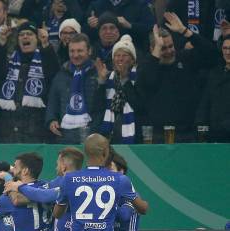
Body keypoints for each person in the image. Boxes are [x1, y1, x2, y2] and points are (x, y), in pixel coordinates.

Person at [138, 13, 219, 142]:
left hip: (188, 134)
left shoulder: (186, 59)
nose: (170, 51)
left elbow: (213, 56)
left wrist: (186, 32)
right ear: (153, 49)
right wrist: (156, 54)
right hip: (158, 136)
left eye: (171, 46)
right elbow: (147, 82)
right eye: (163, 48)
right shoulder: (147, 66)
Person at [0, 22, 60, 143]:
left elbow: (54, 72)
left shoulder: (45, 60)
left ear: (37, 39)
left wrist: (46, 44)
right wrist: (1, 43)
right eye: (21, 34)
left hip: (35, 131)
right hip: (8, 131)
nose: (25, 37)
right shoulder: (10, 62)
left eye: (29, 34)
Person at [45, 33, 106, 144]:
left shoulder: (100, 72)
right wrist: (51, 120)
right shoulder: (61, 74)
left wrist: (102, 82)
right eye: (72, 51)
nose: (75, 55)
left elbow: (103, 107)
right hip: (64, 137)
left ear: (89, 51)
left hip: (93, 138)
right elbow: (52, 101)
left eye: (80, 51)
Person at [98, 34, 141, 144]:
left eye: (125, 55)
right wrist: (102, 81)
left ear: (132, 60)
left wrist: (125, 78)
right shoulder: (108, 77)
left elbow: (138, 105)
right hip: (111, 131)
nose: (120, 59)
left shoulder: (140, 77)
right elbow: (97, 106)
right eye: (117, 55)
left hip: (135, 131)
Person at [195, 34, 230, 143]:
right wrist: (200, 125)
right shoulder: (214, 73)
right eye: (225, 48)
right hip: (214, 136)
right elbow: (205, 102)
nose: (228, 52)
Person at [86, 0, 155, 49]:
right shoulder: (95, 5)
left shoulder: (140, 4)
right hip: (101, 52)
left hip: (133, 51)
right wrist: (90, 26)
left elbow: (152, 28)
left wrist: (130, 26)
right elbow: (83, 32)